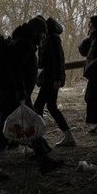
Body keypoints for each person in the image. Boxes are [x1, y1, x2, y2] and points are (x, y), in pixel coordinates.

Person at [0, 17, 63, 181]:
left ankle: (44, 161)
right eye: (42, 34)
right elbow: (15, 67)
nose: (43, 38)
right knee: (4, 133)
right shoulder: (24, 44)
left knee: (29, 124)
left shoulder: (20, 41)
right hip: (14, 95)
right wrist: (20, 90)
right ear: (36, 32)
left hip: (15, 94)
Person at [34, 17, 74, 146]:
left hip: (51, 78)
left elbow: (58, 59)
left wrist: (58, 79)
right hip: (49, 78)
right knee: (50, 106)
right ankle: (67, 135)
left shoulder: (52, 38)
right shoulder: (49, 38)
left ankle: (39, 138)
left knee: (39, 106)